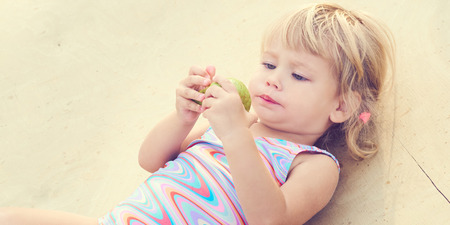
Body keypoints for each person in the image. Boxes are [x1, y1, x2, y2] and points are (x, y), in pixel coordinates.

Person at [0, 3, 395, 225]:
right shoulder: (227, 127)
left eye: (298, 75)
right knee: (13, 217)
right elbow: (151, 160)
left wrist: (236, 136)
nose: (274, 81)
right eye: (269, 64)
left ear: (341, 106)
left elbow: (269, 219)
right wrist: (183, 117)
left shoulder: (312, 164)